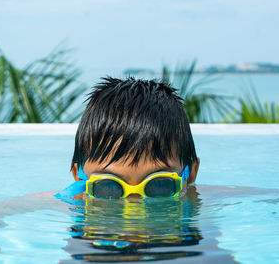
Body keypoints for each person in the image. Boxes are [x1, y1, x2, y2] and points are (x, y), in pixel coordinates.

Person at [55, 77, 200, 200]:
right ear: (78, 177)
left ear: (192, 173)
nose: (134, 208)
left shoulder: (205, 207)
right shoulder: (57, 207)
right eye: (108, 187)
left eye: (160, 185)